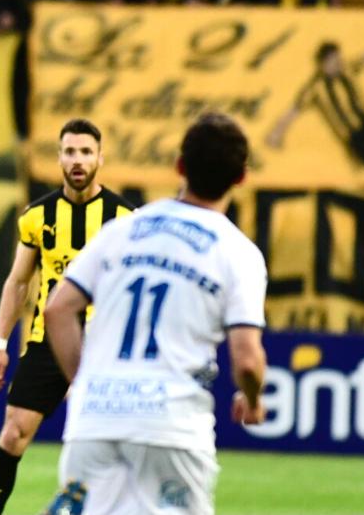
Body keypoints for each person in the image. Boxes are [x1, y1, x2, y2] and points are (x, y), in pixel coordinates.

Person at [42, 112, 267, 515]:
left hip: (94, 419)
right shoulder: (238, 253)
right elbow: (247, 361)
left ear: (179, 167)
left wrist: (86, 382)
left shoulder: (122, 230)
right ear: (241, 177)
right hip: (172, 426)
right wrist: (252, 400)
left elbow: (58, 309)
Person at [0, 118, 134, 515]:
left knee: (116, 449)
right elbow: (18, 283)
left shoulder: (124, 219)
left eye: (86, 152)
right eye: (69, 152)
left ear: (100, 158)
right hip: (46, 342)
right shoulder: (38, 216)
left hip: (103, 346)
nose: (77, 160)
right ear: (59, 158)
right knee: (12, 434)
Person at [265, 39, 364, 167]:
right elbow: (294, 111)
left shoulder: (347, 70)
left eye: (338, 59)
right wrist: (276, 133)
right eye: (333, 61)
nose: (338, 63)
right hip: (356, 135)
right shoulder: (316, 87)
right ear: (322, 64)